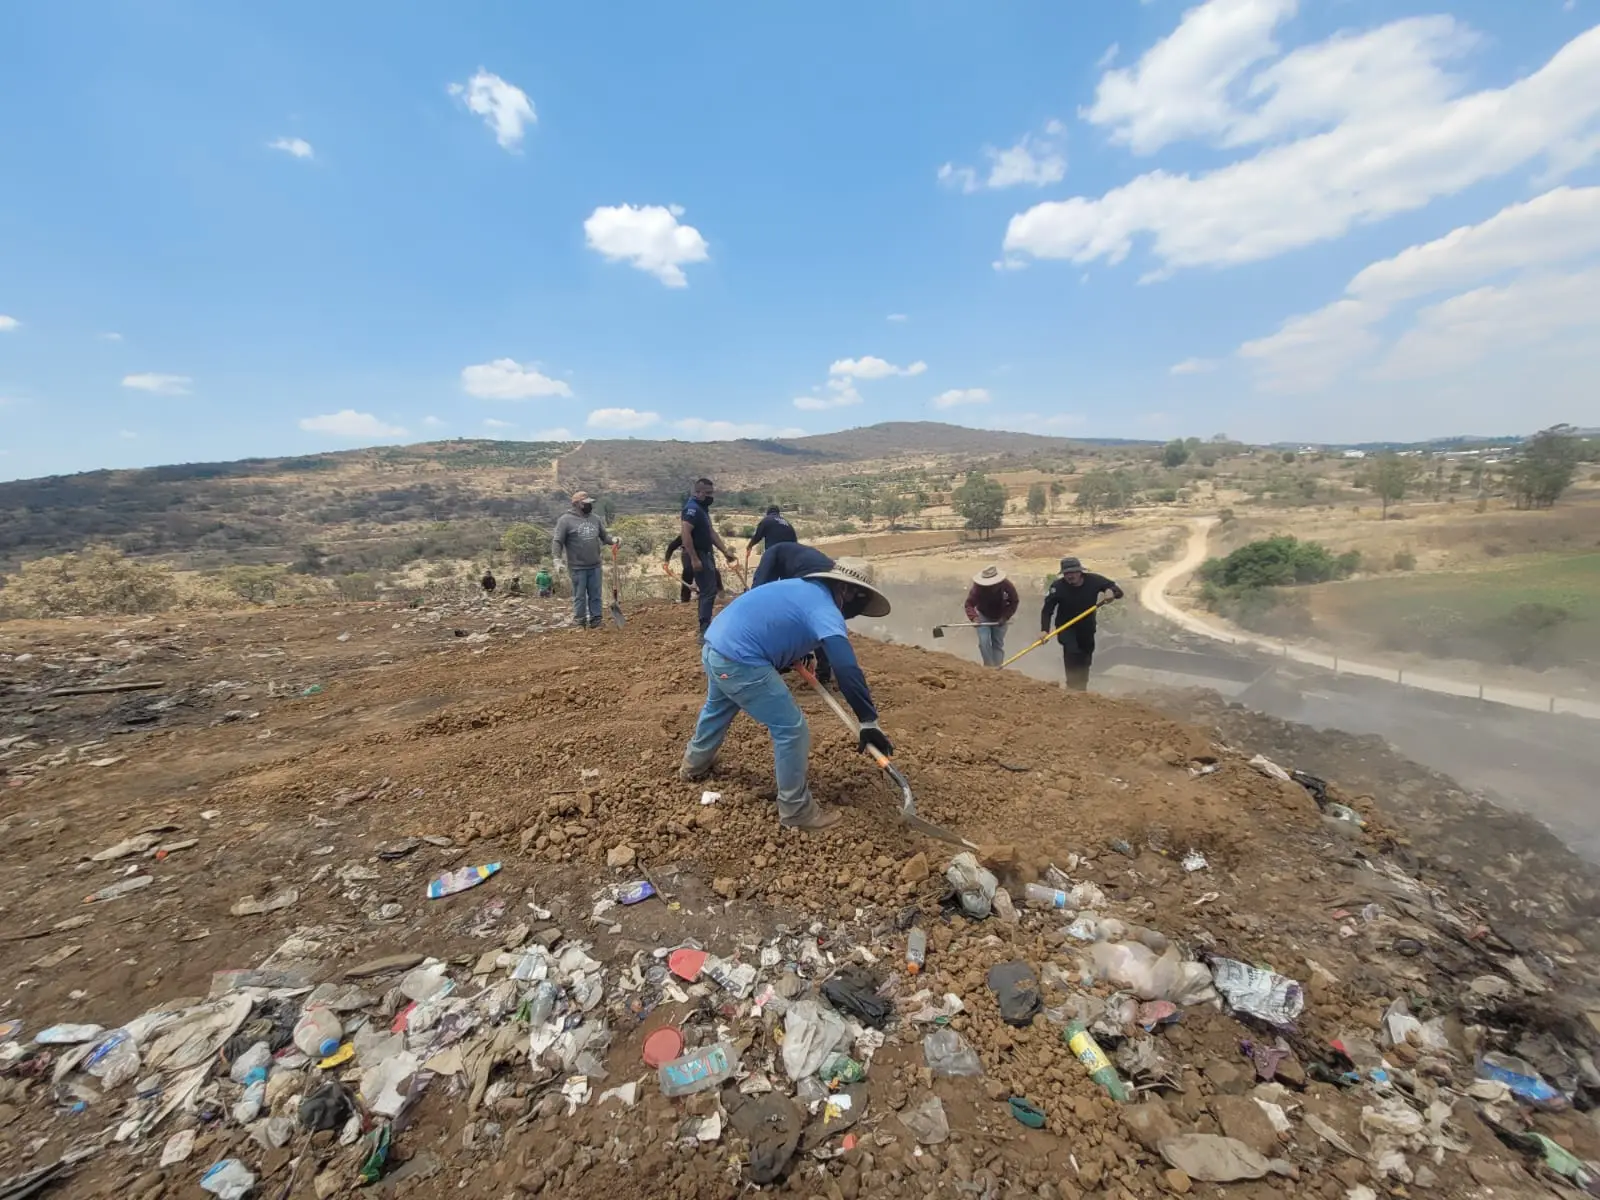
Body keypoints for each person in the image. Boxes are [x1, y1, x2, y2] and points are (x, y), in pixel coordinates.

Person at [680, 562, 892, 830]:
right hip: (740, 660)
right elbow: (846, 666)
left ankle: (693, 765)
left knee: (718, 708)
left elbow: (779, 622)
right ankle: (796, 812)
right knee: (791, 729)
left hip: (717, 648)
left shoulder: (802, 589)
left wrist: (799, 651)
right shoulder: (825, 607)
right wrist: (868, 720)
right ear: (848, 592)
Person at [751, 540, 837, 684]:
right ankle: (823, 672)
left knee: (795, 618)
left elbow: (757, 590)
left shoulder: (772, 554)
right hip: (830, 571)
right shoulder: (790, 555)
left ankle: (783, 660)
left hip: (809, 572)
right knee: (820, 621)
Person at [1040, 556, 1123, 691]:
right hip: (1066, 627)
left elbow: (1117, 591)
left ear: (1080, 572)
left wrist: (1110, 592)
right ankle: (1072, 686)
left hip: (1087, 627)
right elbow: (1047, 610)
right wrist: (1044, 630)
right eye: (1067, 573)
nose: (1070, 576)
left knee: (1085, 656)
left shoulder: (1094, 581)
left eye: (1073, 572)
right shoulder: (1057, 587)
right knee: (1072, 653)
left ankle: (1081, 688)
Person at [551, 491, 619, 629]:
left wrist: (614, 540)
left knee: (596, 594)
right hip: (577, 567)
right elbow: (558, 541)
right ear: (577, 504)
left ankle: (596, 620)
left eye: (590, 503)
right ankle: (580, 621)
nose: (590, 505)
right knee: (580, 596)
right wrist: (557, 560)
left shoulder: (595, 518)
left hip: (595, 565)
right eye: (586, 503)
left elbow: (604, 536)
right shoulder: (565, 520)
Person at [680, 477, 736, 640]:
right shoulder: (691, 509)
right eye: (708, 493)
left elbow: (711, 533)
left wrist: (725, 551)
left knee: (710, 591)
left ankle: (706, 627)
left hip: (707, 554)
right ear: (698, 492)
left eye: (712, 493)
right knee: (707, 592)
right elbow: (686, 534)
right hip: (699, 554)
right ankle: (704, 631)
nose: (711, 497)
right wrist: (694, 558)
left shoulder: (702, 509)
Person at [964, 564, 1019, 667]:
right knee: (984, 642)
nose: (992, 587)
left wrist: (1005, 617)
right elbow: (969, 604)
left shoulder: (1007, 585)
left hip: (1001, 617)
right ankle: (989, 667)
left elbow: (1014, 601)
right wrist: (974, 618)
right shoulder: (978, 588)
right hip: (983, 616)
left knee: (997, 644)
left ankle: (998, 668)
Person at [663, 534, 695, 603]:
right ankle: (685, 599)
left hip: (702, 556)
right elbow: (671, 547)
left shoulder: (704, 533)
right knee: (687, 572)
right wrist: (666, 562)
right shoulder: (685, 535)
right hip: (687, 555)